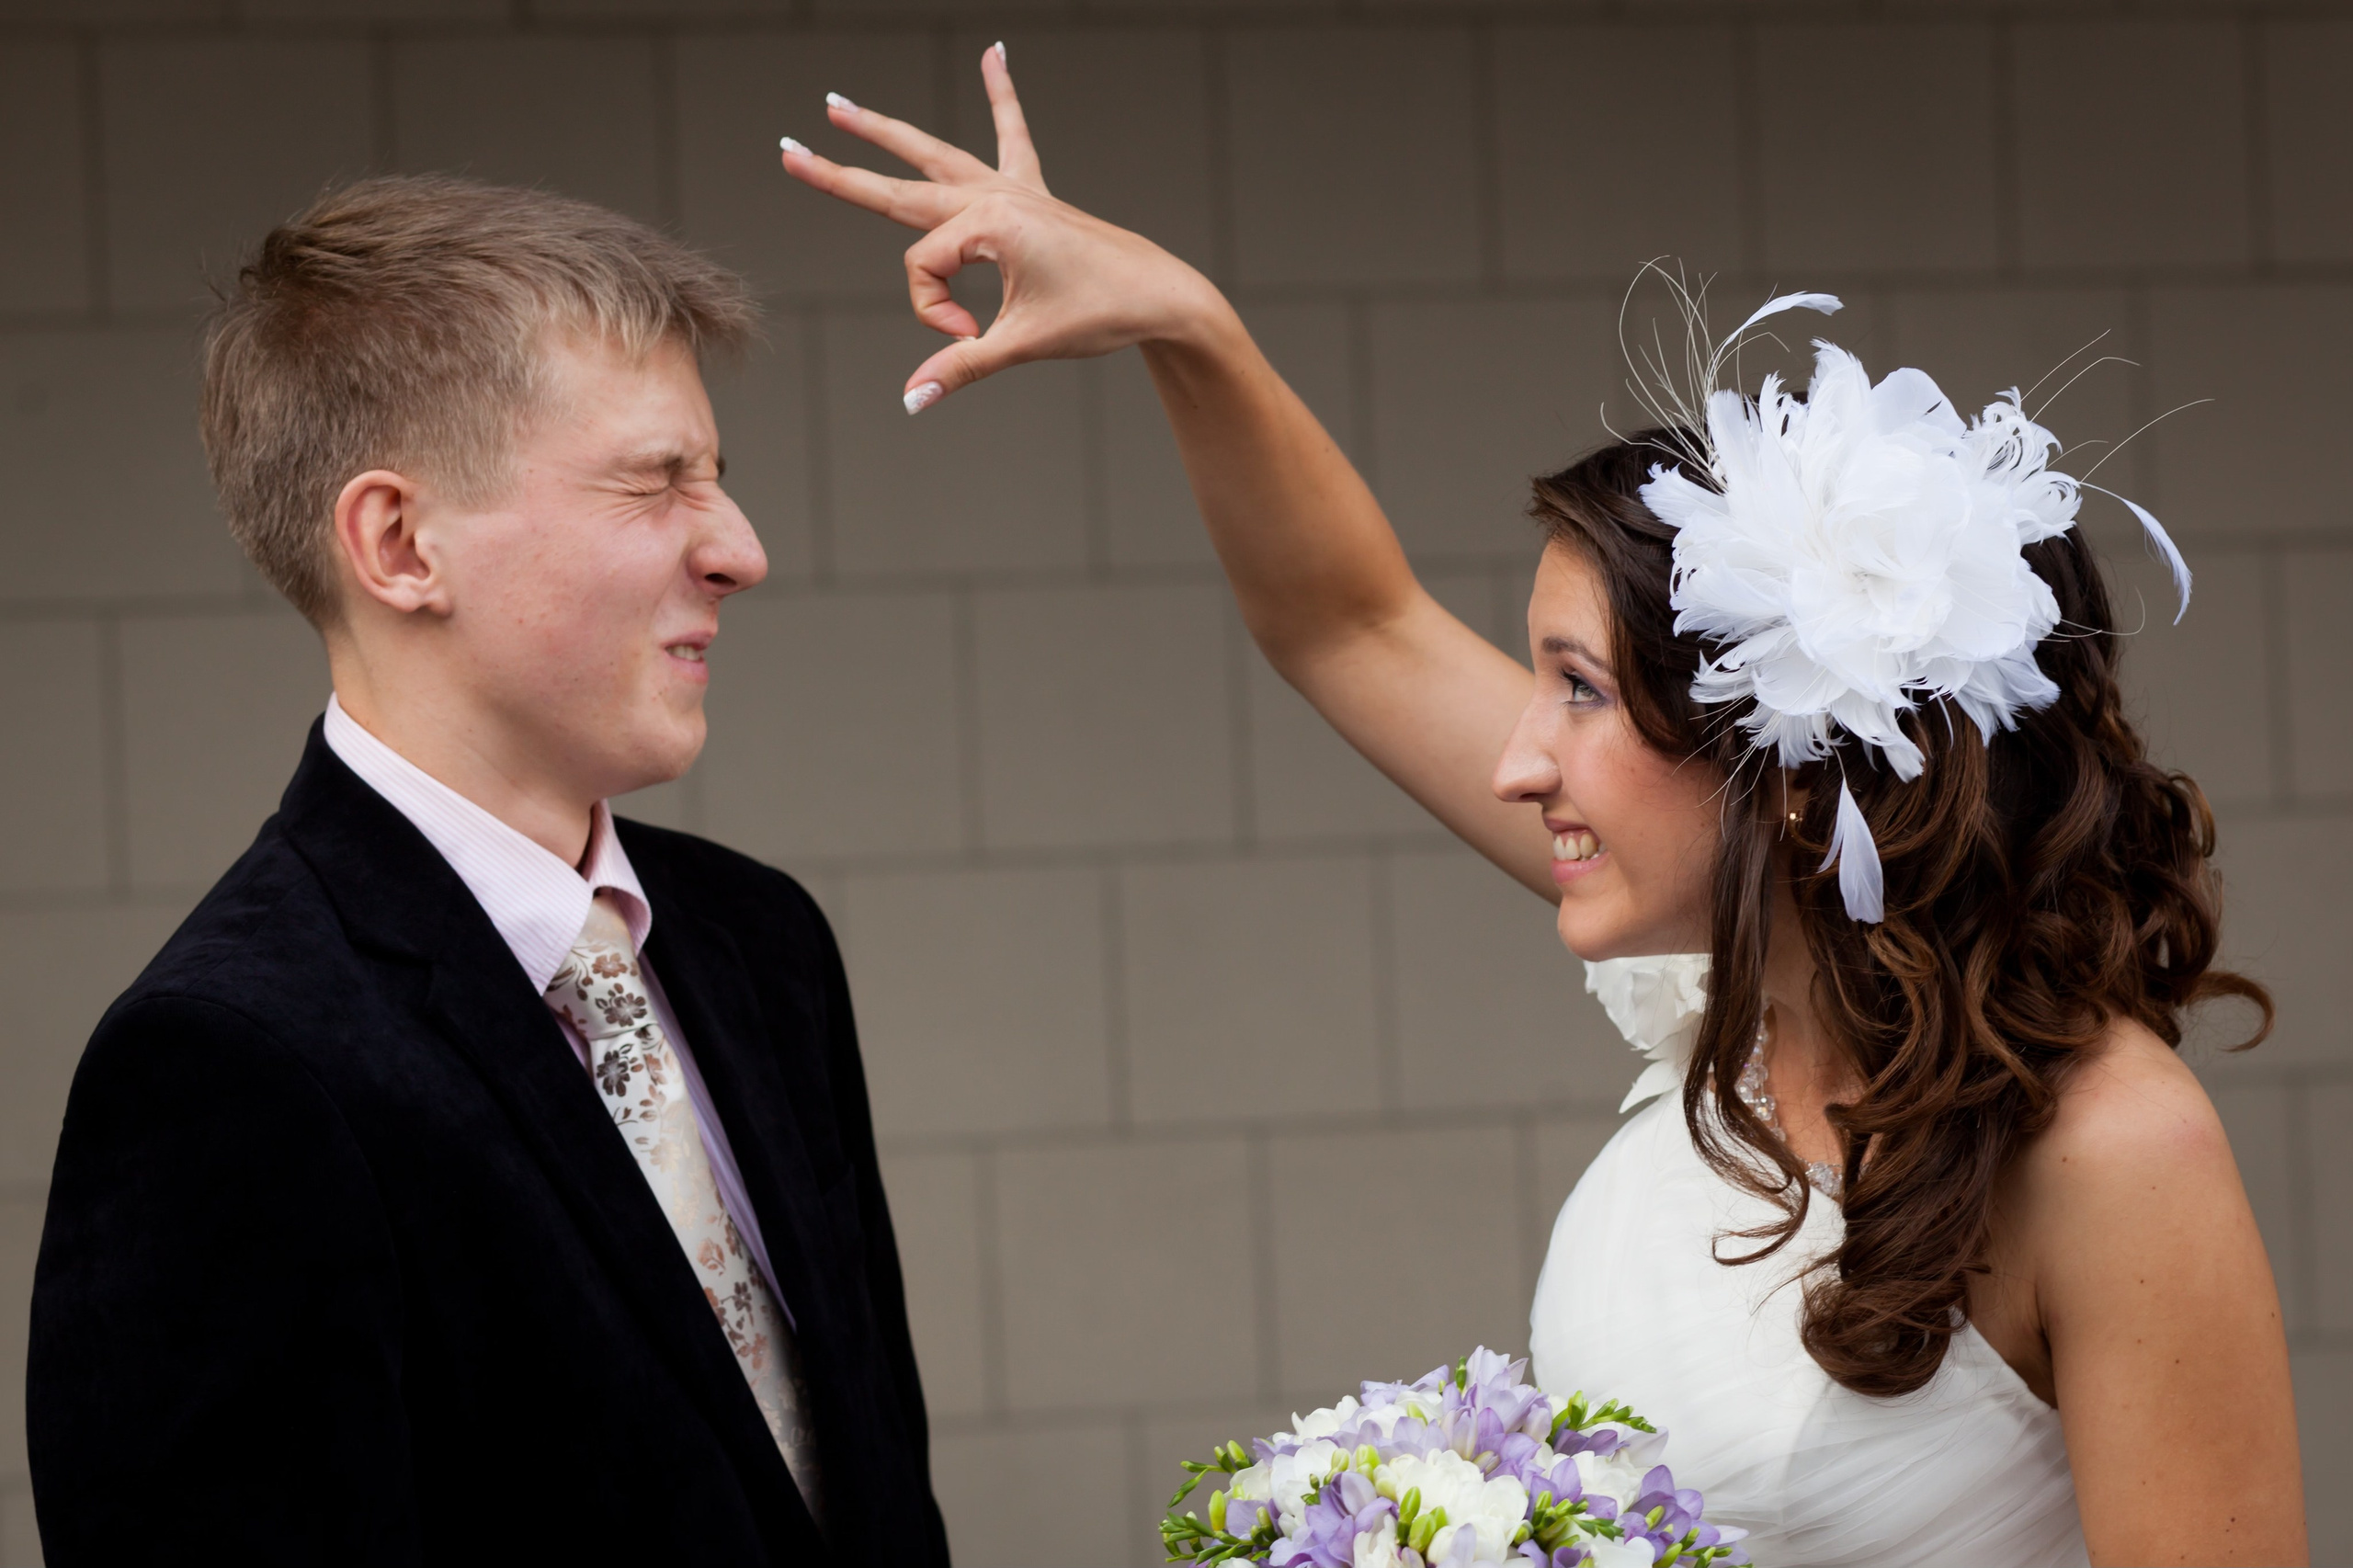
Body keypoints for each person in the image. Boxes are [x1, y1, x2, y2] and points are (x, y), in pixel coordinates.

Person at [779, 50, 2309, 1566]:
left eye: (1576, 687)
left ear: (1779, 770)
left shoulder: (2111, 1151)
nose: (1519, 759)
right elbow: (1345, 620)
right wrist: (1187, 323)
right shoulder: (1737, 982)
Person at [28, 176, 949, 1567]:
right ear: (400, 544)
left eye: (721, 473)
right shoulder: (228, 1062)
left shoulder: (762, 943)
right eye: (655, 482)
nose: (739, 548)